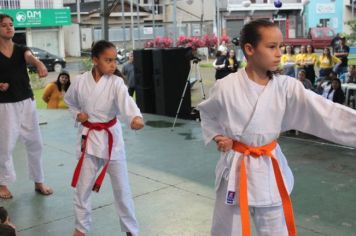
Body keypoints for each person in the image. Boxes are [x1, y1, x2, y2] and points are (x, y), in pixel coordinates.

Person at [197, 19, 356, 236]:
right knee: (226, 230)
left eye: (280, 46)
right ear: (249, 49)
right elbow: (208, 113)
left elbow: (327, 113)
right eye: (272, 47)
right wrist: (217, 136)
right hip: (235, 170)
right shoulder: (225, 86)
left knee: (275, 229)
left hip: (268, 169)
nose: (279, 53)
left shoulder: (287, 87)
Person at [64, 40, 144, 236]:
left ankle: (130, 231)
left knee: (122, 190)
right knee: (82, 190)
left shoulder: (117, 83)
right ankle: (81, 228)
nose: (112, 64)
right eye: (107, 60)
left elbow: (126, 104)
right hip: (89, 140)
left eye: (114, 60)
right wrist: (77, 115)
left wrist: (135, 118)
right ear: (94, 60)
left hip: (111, 142)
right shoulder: (80, 81)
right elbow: (70, 101)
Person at [0, 14, 53, 199]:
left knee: (35, 143)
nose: (9, 28)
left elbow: (29, 57)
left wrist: (38, 63)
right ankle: (3, 183)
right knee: (5, 146)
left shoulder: (21, 48)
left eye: (11, 25)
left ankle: (38, 181)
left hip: (26, 102)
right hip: (5, 105)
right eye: (4, 25)